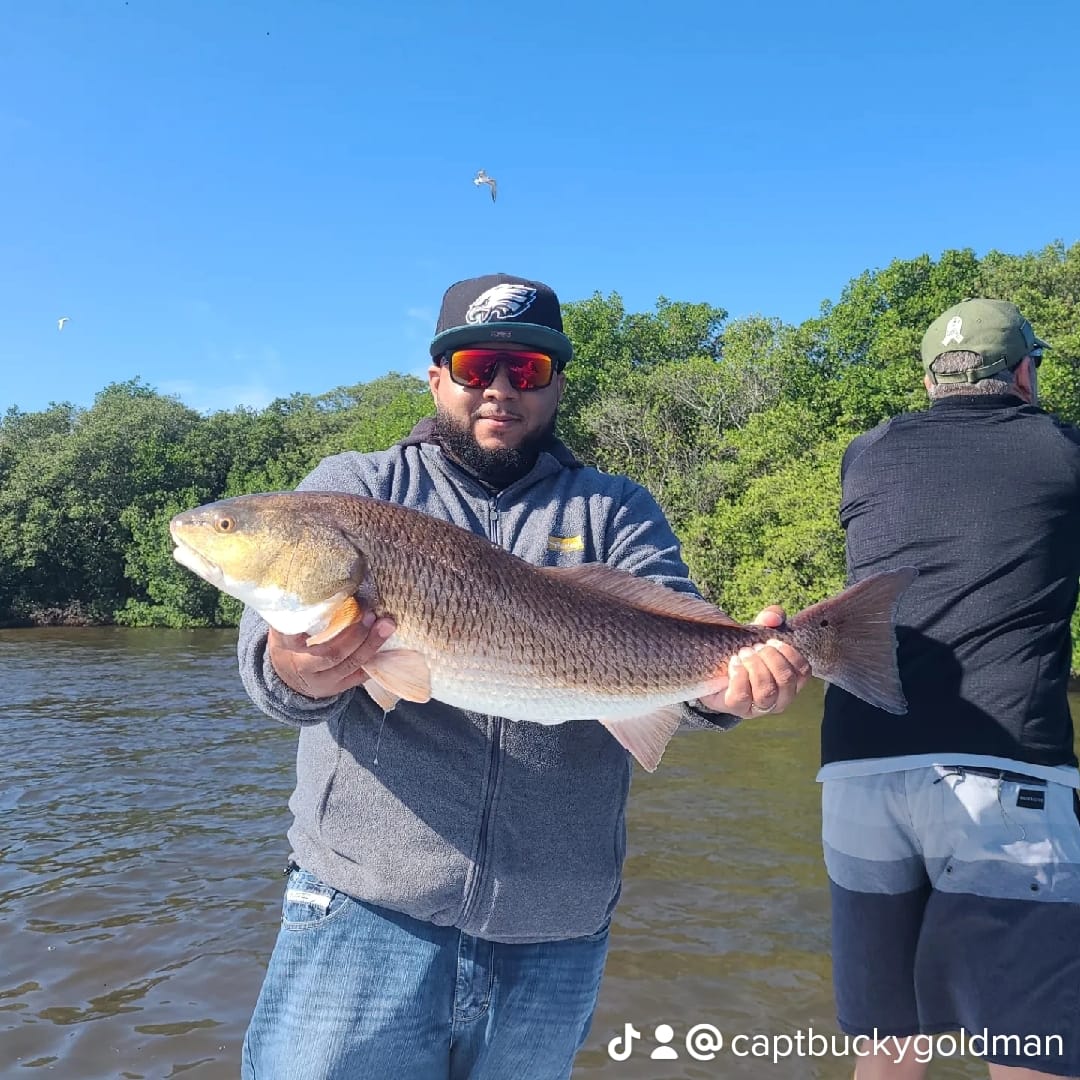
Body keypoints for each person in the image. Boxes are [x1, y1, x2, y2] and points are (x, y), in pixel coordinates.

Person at [235, 272, 812, 1080]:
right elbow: (270, 669)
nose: (500, 389)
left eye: (528, 370)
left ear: (557, 386)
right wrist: (300, 665)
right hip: (364, 912)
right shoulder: (357, 487)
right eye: (476, 367)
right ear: (437, 377)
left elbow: (686, 635)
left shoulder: (614, 509)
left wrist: (734, 687)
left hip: (555, 932)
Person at [820, 298, 1080, 1079]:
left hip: (855, 769)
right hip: (1005, 773)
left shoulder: (865, 453)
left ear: (930, 380)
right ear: (1025, 373)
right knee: (1030, 1052)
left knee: (890, 1046)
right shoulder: (1063, 452)